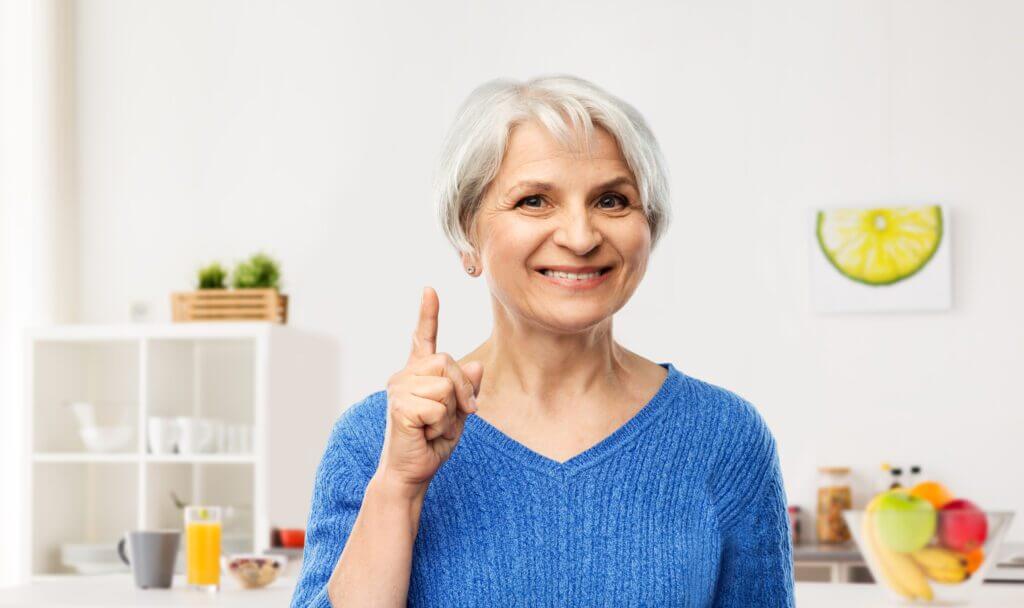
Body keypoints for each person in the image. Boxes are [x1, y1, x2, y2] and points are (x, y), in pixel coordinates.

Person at [290, 74, 794, 607]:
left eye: (611, 200)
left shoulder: (726, 438)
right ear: (468, 235)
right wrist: (397, 488)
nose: (580, 236)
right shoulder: (376, 442)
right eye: (534, 201)